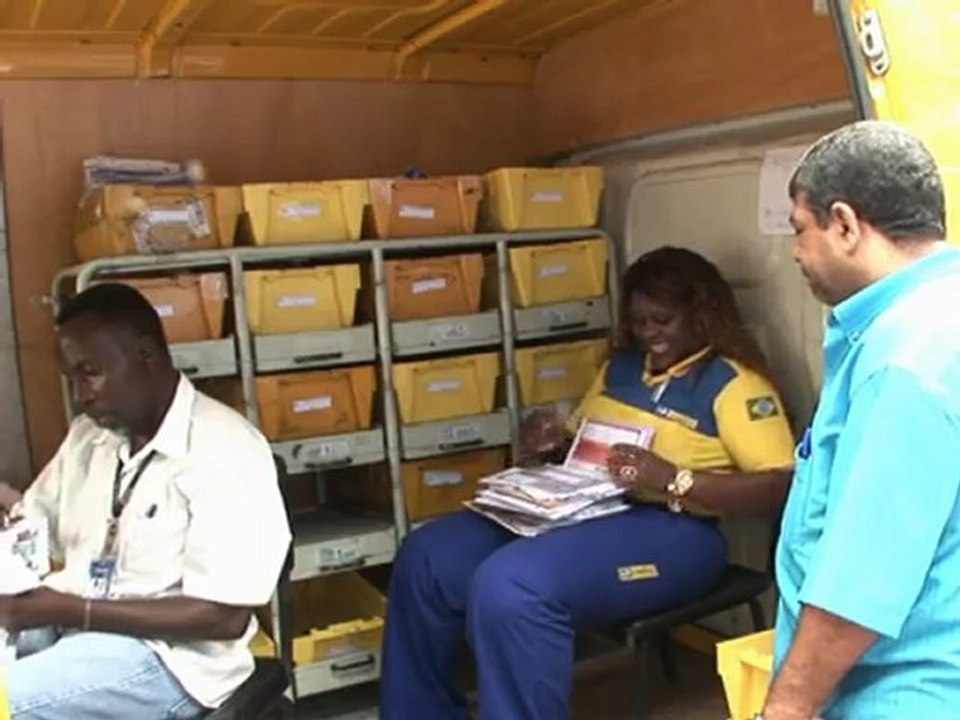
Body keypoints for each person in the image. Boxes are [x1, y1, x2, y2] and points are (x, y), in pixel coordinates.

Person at [380, 246, 796, 720]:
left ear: (702, 315)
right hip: (587, 509)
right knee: (429, 556)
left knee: (513, 586)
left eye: (663, 321)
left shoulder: (735, 385)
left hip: (676, 533)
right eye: (639, 322)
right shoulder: (621, 368)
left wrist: (673, 478)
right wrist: (552, 445)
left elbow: (779, 487)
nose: (650, 334)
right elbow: (583, 442)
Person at [0, 283, 291, 719]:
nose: (81, 394)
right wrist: (12, 516)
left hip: (172, 661)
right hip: (74, 630)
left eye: (90, 372)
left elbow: (223, 617)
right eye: (72, 378)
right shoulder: (89, 438)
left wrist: (70, 609)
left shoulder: (226, 449)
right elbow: (35, 529)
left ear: (146, 355)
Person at [762, 121, 960, 720]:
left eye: (800, 229)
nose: (795, 252)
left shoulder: (903, 361)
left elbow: (861, 582)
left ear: (845, 224)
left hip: (906, 691)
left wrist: (786, 709)